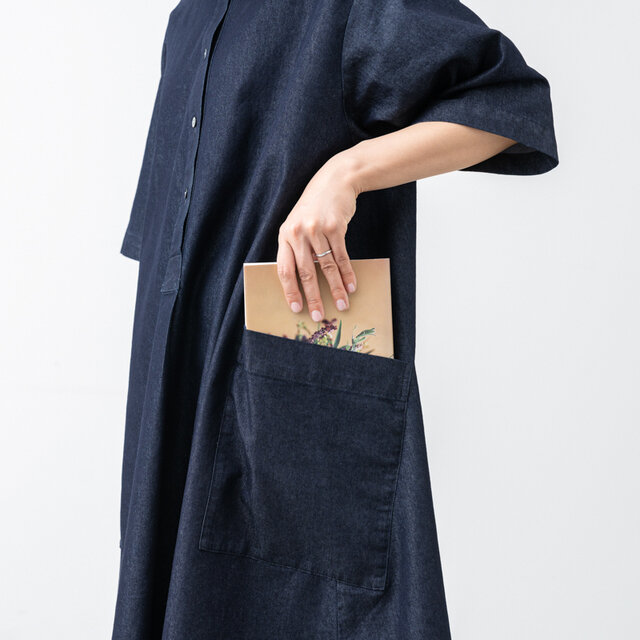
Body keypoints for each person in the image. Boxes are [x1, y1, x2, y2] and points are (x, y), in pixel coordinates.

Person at [113, 1, 558, 638]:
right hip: (172, 389)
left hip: (298, 384)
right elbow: (166, 247)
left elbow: (510, 103)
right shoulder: (188, 18)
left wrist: (346, 173)